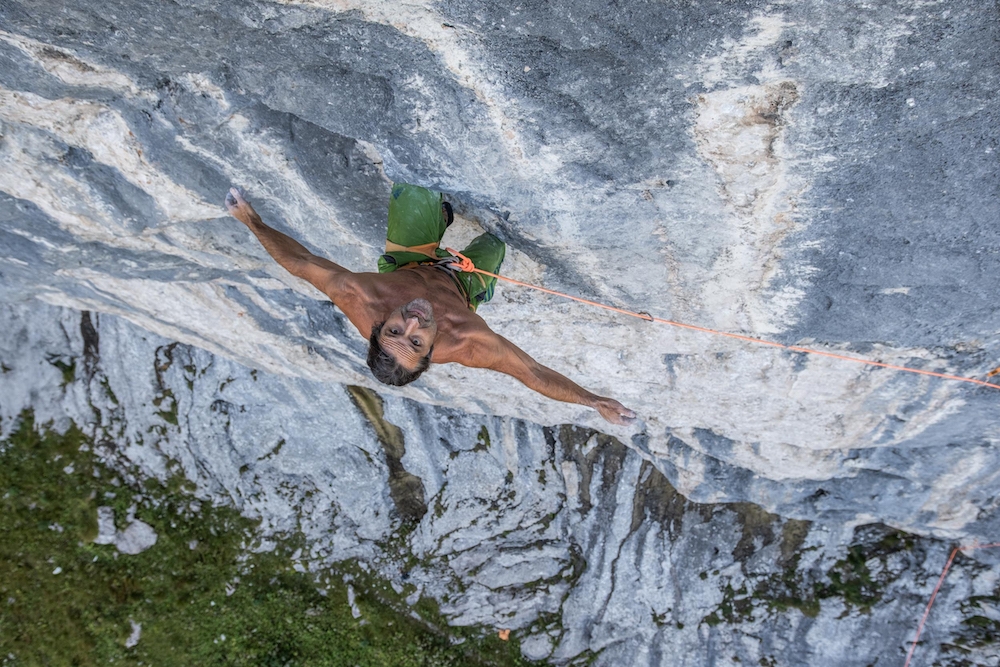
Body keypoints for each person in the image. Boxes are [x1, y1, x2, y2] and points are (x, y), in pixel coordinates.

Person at [224, 184, 636, 425]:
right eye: (418, 342)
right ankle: (470, 260)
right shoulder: (468, 343)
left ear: (378, 325)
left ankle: (436, 215)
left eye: (395, 330)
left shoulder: (360, 298)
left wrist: (251, 222)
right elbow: (532, 374)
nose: (414, 323)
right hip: (464, 282)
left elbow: (300, 263)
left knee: (415, 189)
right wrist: (594, 401)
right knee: (494, 242)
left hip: (408, 263)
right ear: (431, 354)